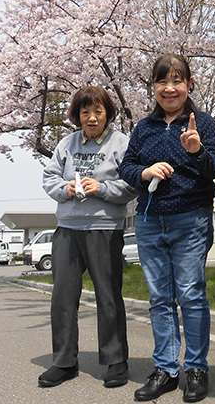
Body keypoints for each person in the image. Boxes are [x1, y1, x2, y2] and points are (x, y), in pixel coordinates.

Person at [120, 54, 215, 403]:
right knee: (159, 297)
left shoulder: (203, 123)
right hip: (149, 220)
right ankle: (165, 368)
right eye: (163, 82)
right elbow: (127, 166)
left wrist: (194, 151)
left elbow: (214, 169)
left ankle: (196, 368)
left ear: (189, 84)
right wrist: (144, 173)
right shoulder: (144, 127)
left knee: (191, 294)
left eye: (177, 81)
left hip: (190, 218)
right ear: (154, 87)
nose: (170, 88)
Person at [40, 85, 138, 388]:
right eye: (85, 112)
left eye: (98, 111)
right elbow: (49, 177)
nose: (92, 117)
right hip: (68, 229)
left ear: (108, 113)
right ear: (77, 116)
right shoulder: (66, 145)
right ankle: (64, 361)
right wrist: (65, 189)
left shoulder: (122, 143)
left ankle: (115, 360)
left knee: (108, 296)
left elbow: (132, 183)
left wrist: (104, 189)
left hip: (104, 229)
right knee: (62, 298)